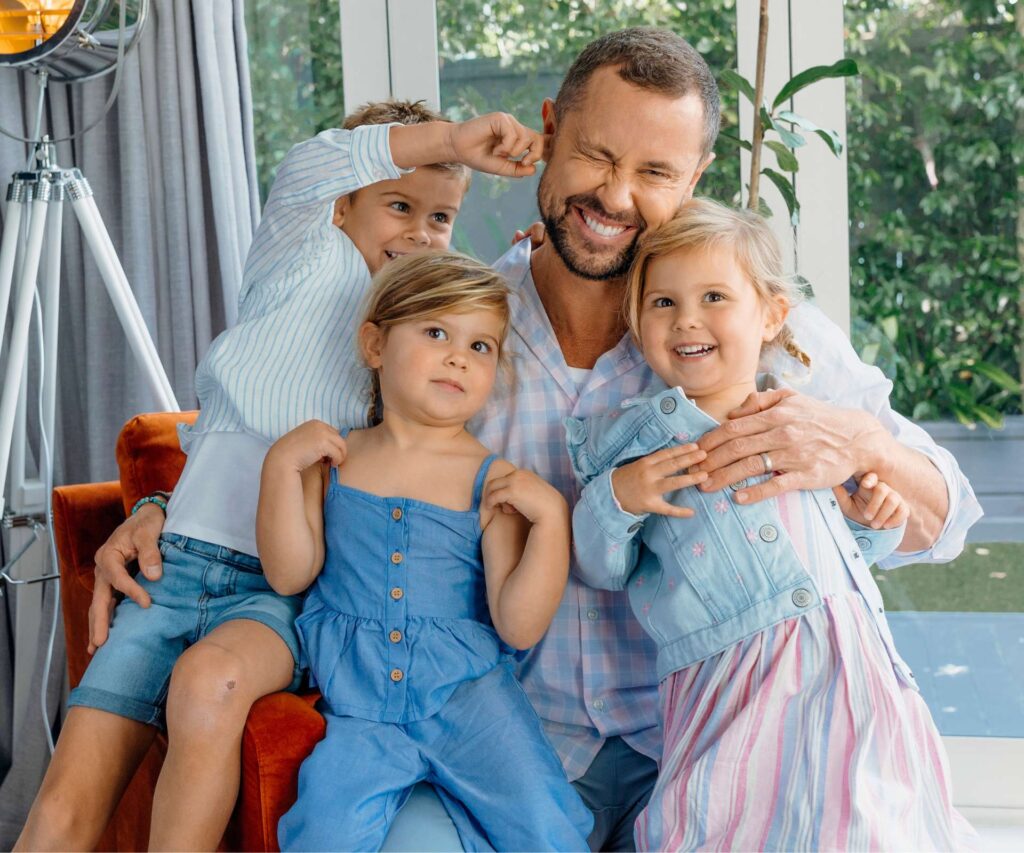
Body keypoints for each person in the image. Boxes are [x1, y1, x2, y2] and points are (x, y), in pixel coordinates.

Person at [79, 27, 981, 852]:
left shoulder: (750, 335)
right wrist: (168, 507)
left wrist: (857, 442)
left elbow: (945, 516)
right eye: (595, 153)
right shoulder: (457, 329)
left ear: (694, 178)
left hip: (718, 752)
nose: (616, 196)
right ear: (550, 129)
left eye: (656, 173)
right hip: (505, 744)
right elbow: (309, 437)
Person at [16, 102, 544, 851]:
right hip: (177, 567)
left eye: (441, 218)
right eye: (401, 205)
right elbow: (317, 162)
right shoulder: (303, 251)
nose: (421, 234)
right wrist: (456, 142)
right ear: (346, 201)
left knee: (210, 680)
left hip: (281, 593)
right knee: (65, 804)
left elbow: (472, 325)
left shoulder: (415, 343)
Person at [566, 198, 975, 851]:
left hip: (848, 671)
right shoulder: (635, 444)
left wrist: (875, 519)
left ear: (773, 314)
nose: (686, 319)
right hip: (730, 691)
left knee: (866, 824)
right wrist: (618, 496)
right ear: (637, 324)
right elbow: (599, 564)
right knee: (720, 825)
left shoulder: (806, 422)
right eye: (662, 303)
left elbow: (840, 545)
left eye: (714, 297)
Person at [258, 251, 593, 850]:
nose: (458, 356)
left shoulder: (493, 481)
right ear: (375, 345)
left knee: (548, 825)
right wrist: (280, 467)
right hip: (360, 704)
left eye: (482, 346)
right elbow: (289, 575)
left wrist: (551, 523)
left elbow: (518, 625)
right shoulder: (333, 459)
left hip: (472, 701)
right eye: (436, 332)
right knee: (322, 833)